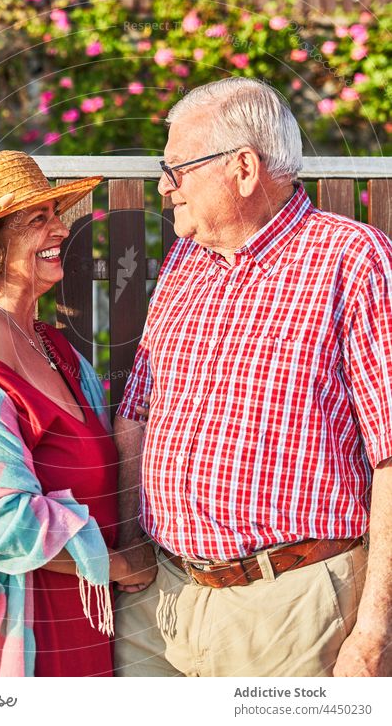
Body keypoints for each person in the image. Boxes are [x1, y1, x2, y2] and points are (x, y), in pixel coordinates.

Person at [113, 77, 392, 678]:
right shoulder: (189, 257)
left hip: (288, 607)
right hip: (160, 601)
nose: (165, 186)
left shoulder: (352, 259)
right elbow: (136, 412)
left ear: (242, 168)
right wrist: (132, 540)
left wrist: (373, 630)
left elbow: (391, 455)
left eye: (177, 168)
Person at [0, 150, 155, 677]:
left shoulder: (52, 344)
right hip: (20, 615)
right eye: (37, 219)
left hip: (77, 606)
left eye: (55, 214)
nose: (61, 229)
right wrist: (116, 565)